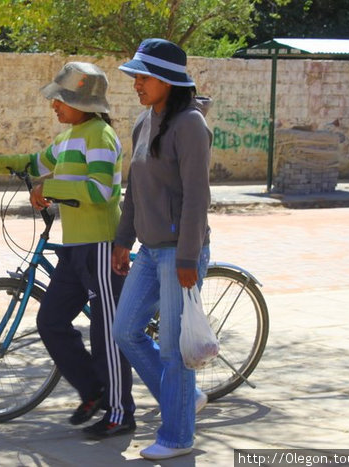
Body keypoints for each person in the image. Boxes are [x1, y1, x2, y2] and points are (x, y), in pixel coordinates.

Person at [0, 62, 136, 437]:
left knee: (105, 331)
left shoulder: (101, 138)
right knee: (51, 321)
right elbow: (35, 163)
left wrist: (52, 188)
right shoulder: (68, 138)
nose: (54, 105)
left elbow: (101, 191)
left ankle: (121, 413)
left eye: (61, 99)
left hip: (101, 246)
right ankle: (94, 390)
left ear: (83, 104)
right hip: (74, 248)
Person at [111, 38, 213, 460]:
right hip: (151, 251)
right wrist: (122, 239)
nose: (136, 82)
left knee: (173, 349)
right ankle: (183, 399)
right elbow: (133, 189)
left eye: (144, 75)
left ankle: (177, 436)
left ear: (168, 80)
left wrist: (188, 257)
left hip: (179, 252)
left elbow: (196, 197)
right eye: (135, 74)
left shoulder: (190, 124)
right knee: (126, 332)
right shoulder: (143, 122)